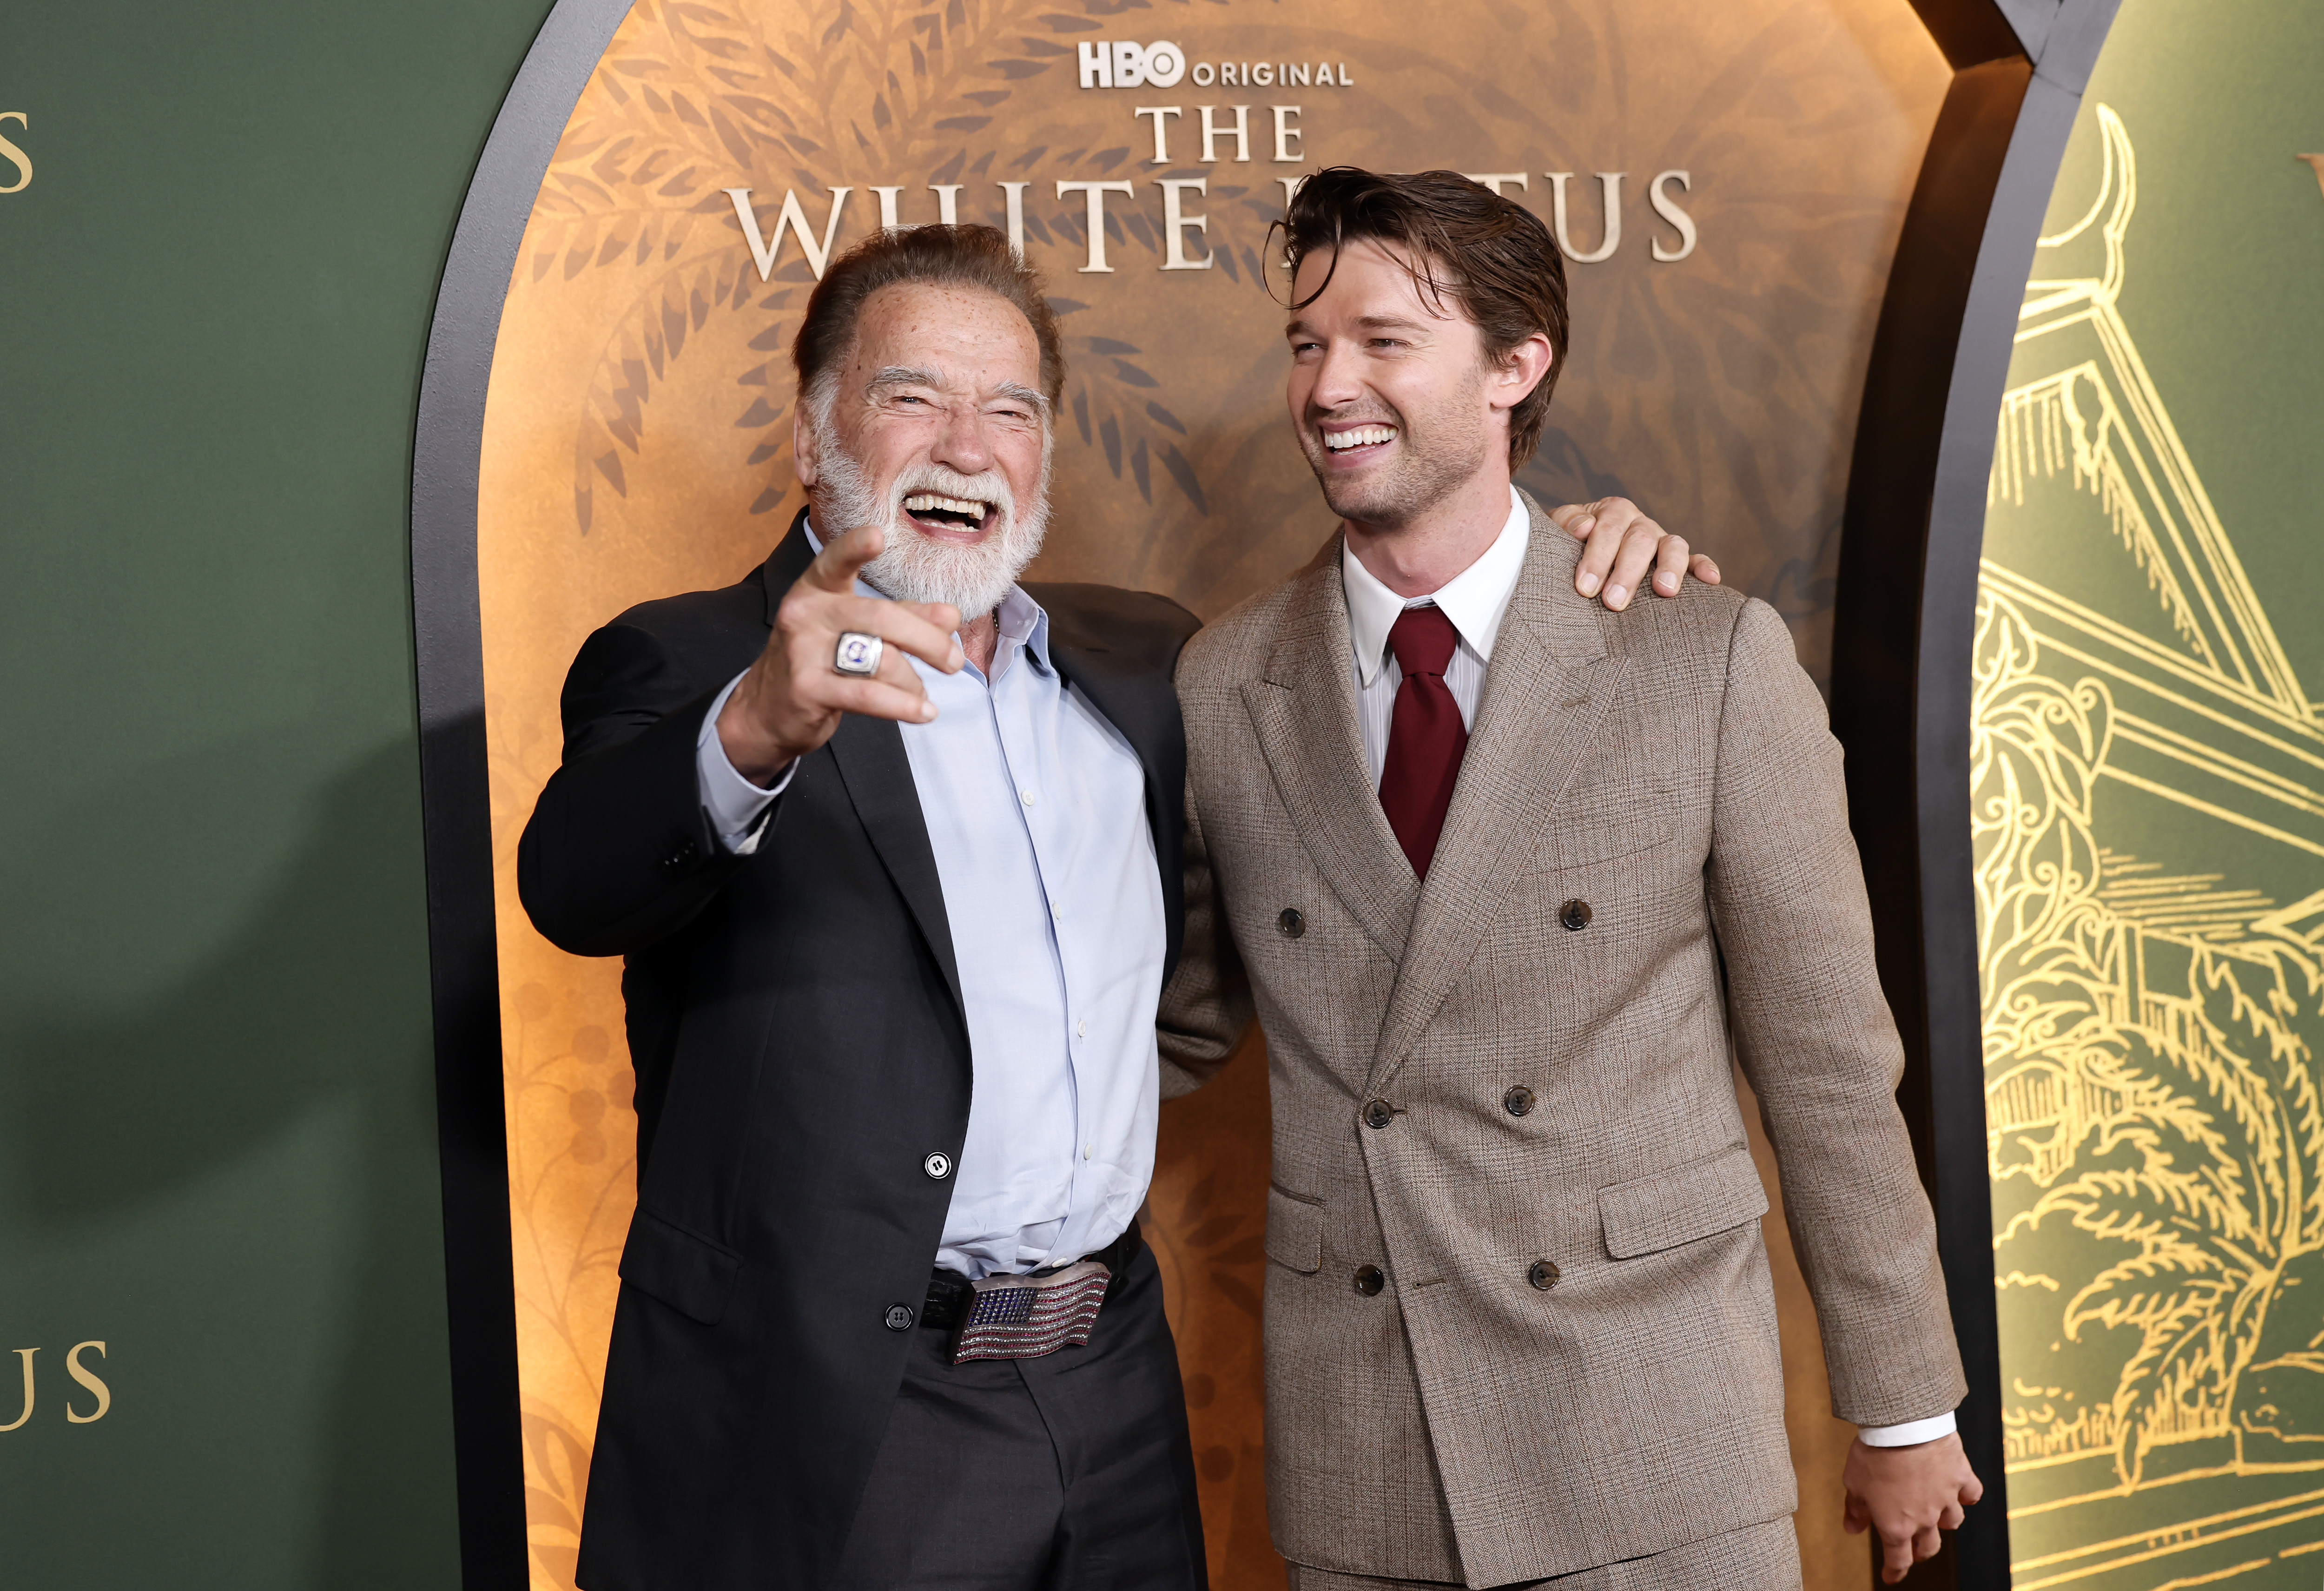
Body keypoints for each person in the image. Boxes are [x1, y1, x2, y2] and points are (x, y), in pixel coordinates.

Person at [517, 221, 1701, 1591]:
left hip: (1112, 1387)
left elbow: (1396, 677)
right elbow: (576, 883)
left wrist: (1573, 562)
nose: (968, 442)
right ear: (810, 437)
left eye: (1011, 408)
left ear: (1043, 461)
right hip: (840, 1413)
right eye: (914, 396)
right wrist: (755, 730)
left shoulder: (1147, 664)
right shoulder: (694, 659)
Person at [1157, 168, 1982, 1591]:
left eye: (1382, 340)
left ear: (1515, 365)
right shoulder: (1223, 678)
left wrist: (1906, 1406)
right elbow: (1172, 1026)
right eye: (1305, 343)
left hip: (1653, 1431)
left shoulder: (1700, 656)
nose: (1328, 384)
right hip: (1368, 1445)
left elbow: (1829, 1065)